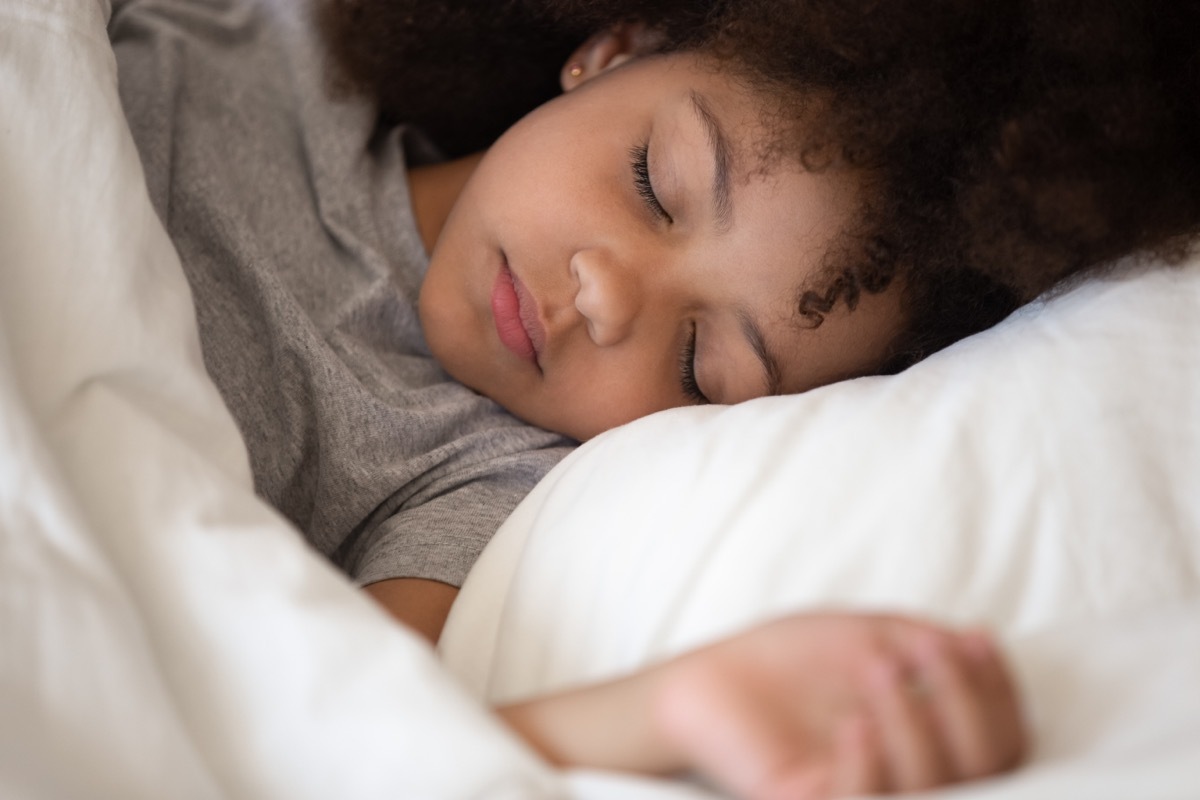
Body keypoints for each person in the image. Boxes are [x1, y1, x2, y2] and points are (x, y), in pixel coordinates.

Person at [108, 0, 1198, 796]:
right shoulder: (263, 38)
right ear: (611, 50)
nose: (606, 295)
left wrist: (676, 706)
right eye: (653, 185)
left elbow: (359, 744)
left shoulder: (471, 478)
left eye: (699, 364)